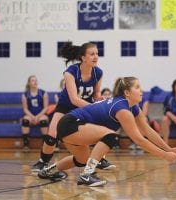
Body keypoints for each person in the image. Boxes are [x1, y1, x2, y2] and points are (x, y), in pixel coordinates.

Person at [38, 77, 176, 187]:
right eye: (138, 87)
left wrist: (168, 148)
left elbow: (147, 130)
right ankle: (86, 175)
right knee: (111, 136)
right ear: (127, 92)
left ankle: (48, 171)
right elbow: (139, 139)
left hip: (73, 126)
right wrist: (164, 156)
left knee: (82, 160)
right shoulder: (122, 108)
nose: (141, 91)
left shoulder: (133, 107)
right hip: (71, 123)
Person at [31, 41, 115, 171]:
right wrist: (94, 108)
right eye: (92, 54)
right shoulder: (70, 72)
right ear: (83, 57)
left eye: (97, 54)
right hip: (66, 106)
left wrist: (103, 100)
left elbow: (97, 93)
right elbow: (74, 99)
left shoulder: (98, 72)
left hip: (85, 107)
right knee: (52, 135)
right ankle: (42, 162)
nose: (96, 57)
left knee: (100, 131)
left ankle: (99, 159)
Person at [21, 75, 49, 150]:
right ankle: (26, 144)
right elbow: (25, 109)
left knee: (43, 121)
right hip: (30, 114)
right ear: (29, 83)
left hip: (41, 114)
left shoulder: (43, 93)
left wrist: (37, 117)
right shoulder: (25, 95)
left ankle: (45, 144)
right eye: (33, 81)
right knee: (25, 121)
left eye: (36, 80)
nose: (35, 82)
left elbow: (46, 108)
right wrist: (33, 117)